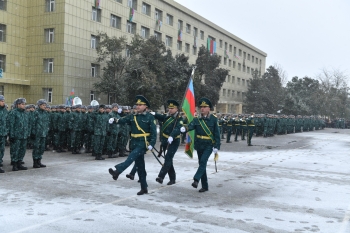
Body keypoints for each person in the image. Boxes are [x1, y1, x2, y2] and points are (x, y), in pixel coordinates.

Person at [108, 95, 157, 195]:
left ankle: (117, 170)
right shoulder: (133, 116)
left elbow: (154, 132)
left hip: (143, 143)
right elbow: (123, 120)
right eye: (137, 105)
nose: (138, 106)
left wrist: (152, 143)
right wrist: (114, 120)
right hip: (134, 143)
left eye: (140, 105)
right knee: (140, 167)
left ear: (145, 107)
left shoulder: (150, 117)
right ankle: (144, 187)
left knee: (131, 157)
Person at [181, 97, 220, 193]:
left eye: (204, 107)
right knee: (201, 165)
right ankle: (205, 186)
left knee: (203, 162)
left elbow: (217, 134)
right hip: (199, 144)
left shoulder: (213, 120)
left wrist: (216, 146)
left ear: (209, 109)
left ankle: (196, 179)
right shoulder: (197, 120)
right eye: (201, 107)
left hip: (208, 145)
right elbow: (190, 126)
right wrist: (184, 129)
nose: (202, 109)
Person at [152, 99, 183, 185]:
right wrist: (155, 114)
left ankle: (161, 176)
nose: (170, 109)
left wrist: (172, 136)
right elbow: (161, 118)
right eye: (169, 108)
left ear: (177, 109)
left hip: (174, 141)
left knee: (168, 158)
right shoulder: (167, 116)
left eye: (172, 108)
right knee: (168, 160)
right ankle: (172, 178)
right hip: (165, 141)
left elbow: (178, 128)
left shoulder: (179, 119)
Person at [8, 98, 30, 171]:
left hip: (24, 135)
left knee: (22, 150)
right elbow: (11, 125)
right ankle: (14, 165)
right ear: (18, 105)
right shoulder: (13, 113)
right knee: (15, 150)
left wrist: (28, 133)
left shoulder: (25, 113)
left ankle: (19, 163)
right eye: (22, 104)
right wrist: (11, 135)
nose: (24, 105)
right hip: (16, 135)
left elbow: (27, 124)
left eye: (24, 104)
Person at [31, 99, 50, 168]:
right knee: (36, 148)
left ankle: (39, 161)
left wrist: (46, 132)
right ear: (39, 106)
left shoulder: (45, 113)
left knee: (42, 148)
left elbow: (47, 123)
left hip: (43, 133)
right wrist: (33, 132)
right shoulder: (36, 113)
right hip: (37, 134)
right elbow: (33, 123)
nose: (44, 106)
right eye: (43, 105)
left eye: (45, 105)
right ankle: (35, 162)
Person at [0, 95, 7, 173]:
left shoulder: (4, 110)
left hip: (2, 133)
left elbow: (7, 122)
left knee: (1, 150)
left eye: (3, 101)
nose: (3, 102)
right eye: (2, 101)